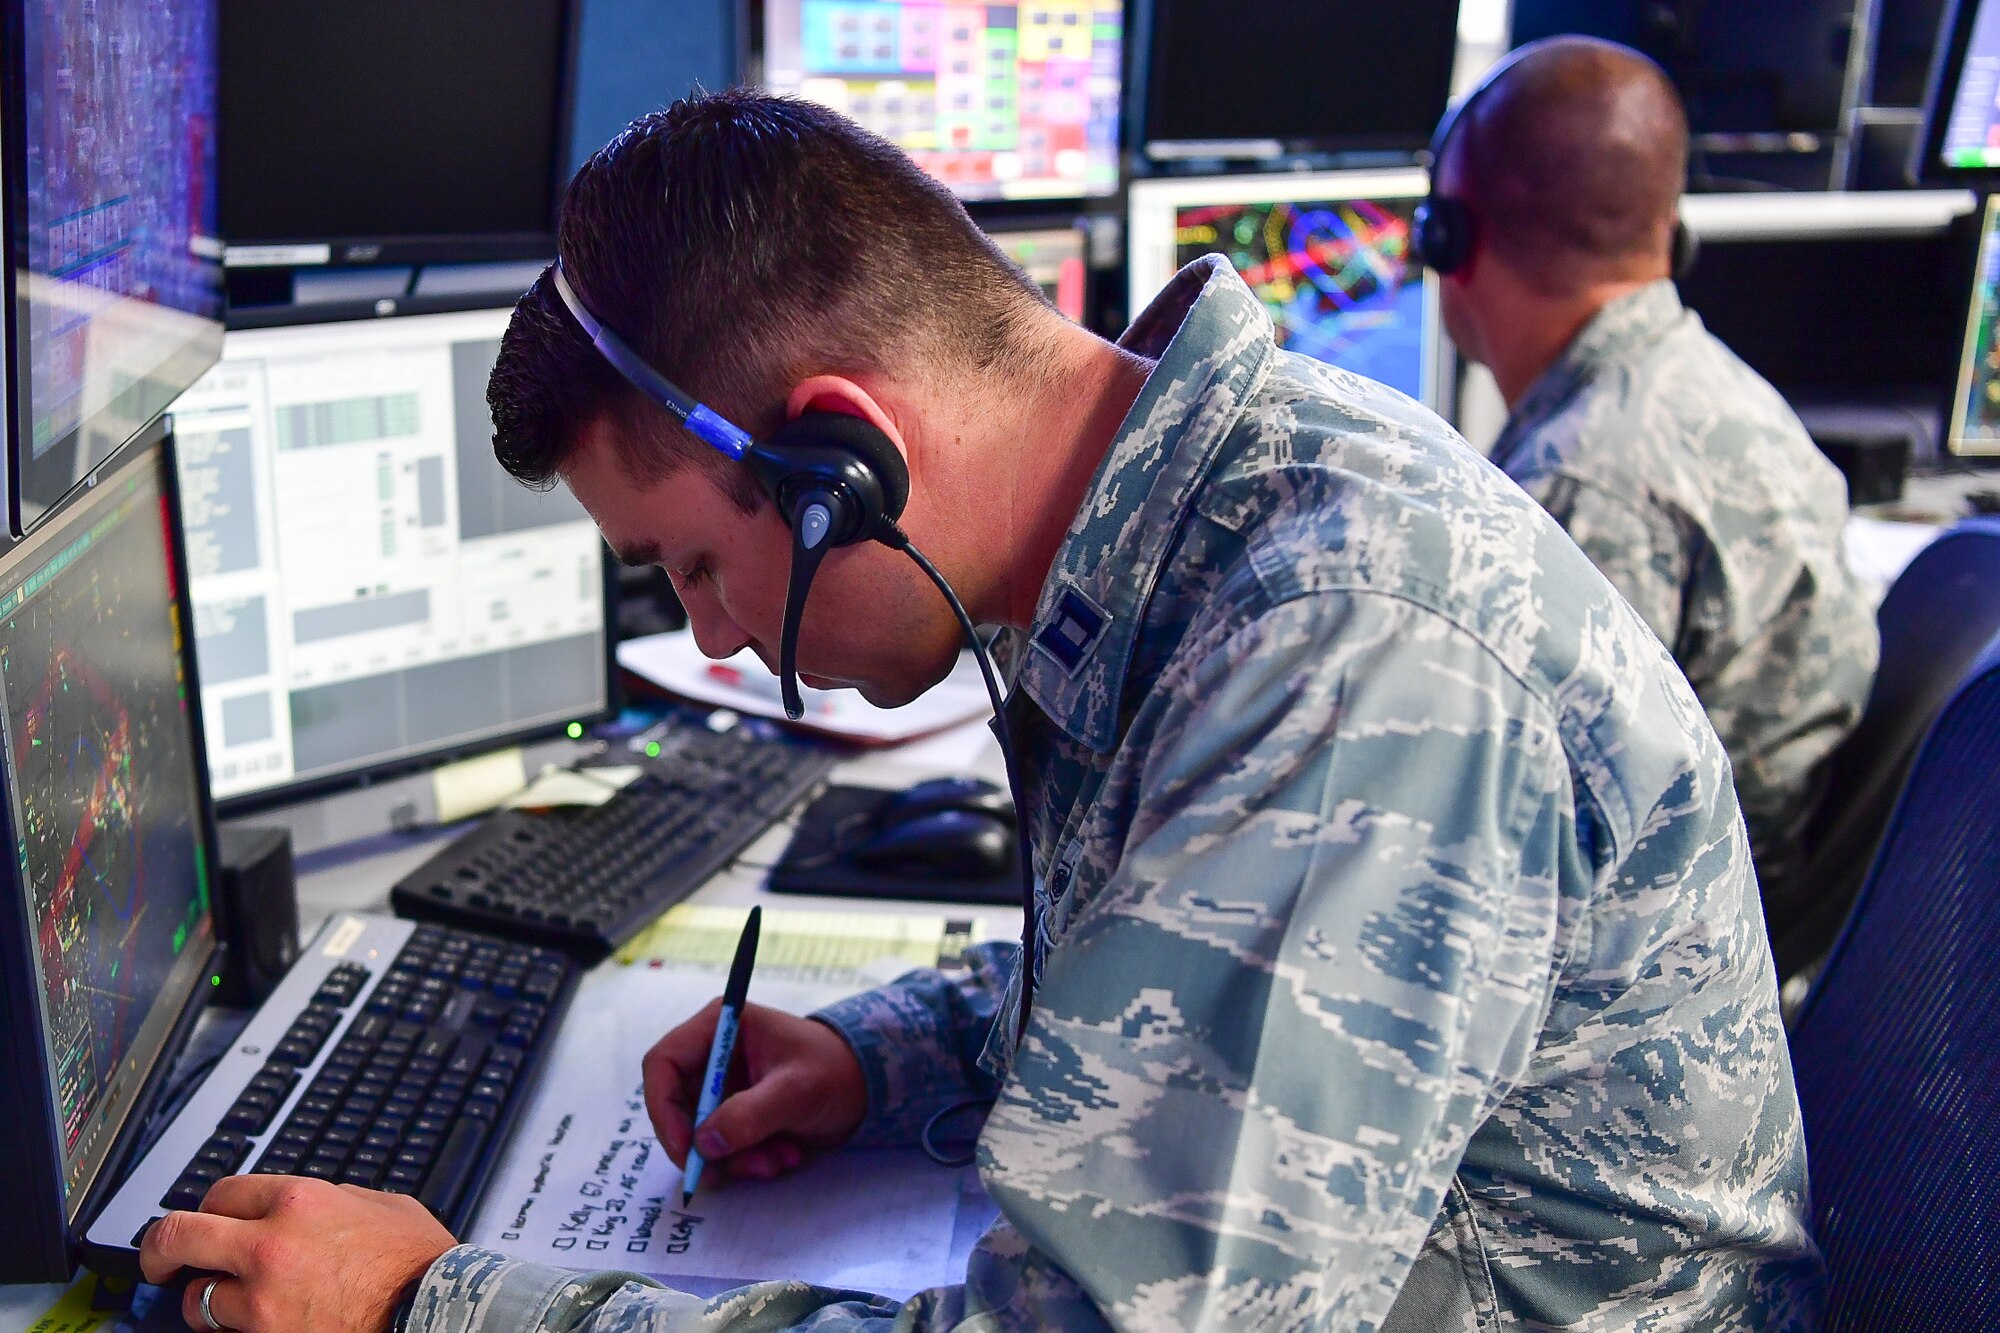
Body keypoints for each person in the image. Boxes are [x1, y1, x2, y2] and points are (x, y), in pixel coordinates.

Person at [141, 90, 1824, 1331]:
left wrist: (430, 1307)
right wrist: (878, 1058)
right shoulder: (1179, 532)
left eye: (699, 572)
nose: (719, 647)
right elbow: (1187, 974)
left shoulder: (1345, 649)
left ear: (836, 461)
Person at [1426, 36, 1879, 913]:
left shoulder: (1584, 490)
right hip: (1752, 914)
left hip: (1656, 964)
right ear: (1671, 228)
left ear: (1451, 235)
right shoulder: (1722, 393)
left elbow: (1507, 847)